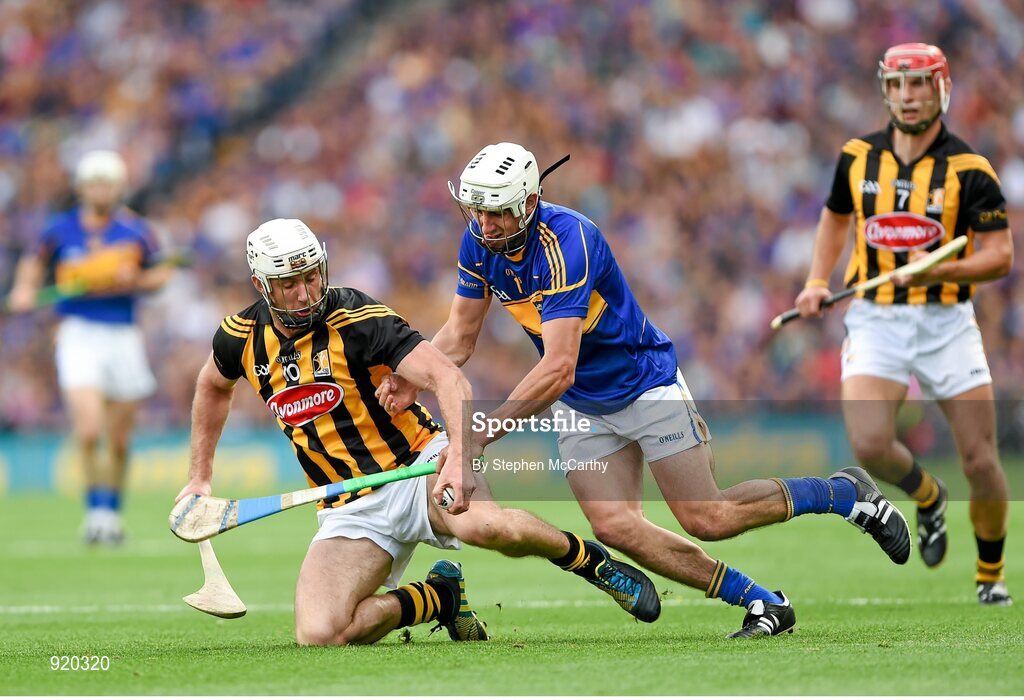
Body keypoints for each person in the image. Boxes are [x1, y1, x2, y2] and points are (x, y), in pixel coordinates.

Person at [376, 141, 913, 638]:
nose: (487, 225)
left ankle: (843, 494)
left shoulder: (569, 242)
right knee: (614, 526)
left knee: (708, 517)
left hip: (643, 383)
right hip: (584, 405)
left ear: (532, 201)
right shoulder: (478, 242)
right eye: (479, 211)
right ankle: (762, 602)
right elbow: (461, 336)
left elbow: (559, 366)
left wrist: (481, 433)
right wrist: (410, 375)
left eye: (499, 212)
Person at [174, 217, 661, 647]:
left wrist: (458, 457)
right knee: (322, 633)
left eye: (312, 275)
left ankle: (588, 562)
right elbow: (213, 387)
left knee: (490, 529)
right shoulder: (239, 337)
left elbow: (449, 378)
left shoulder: (360, 320)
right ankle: (440, 598)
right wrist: (200, 477)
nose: (305, 291)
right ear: (262, 285)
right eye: (289, 284)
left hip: (419, 466)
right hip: (348, 505)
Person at [794, 43, 1014, 606]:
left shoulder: (970, 169)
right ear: (885, 89)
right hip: (876, 319)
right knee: (869, 442)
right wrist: (819, 281)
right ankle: (928, 493)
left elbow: (1000, 256)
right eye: (897, 85)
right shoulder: (858, 157)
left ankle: (990, 574)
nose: (908, 96)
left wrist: (939, 270)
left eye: (918, 84)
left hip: (946, 322)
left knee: (982, 460)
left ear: (941, 88)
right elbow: (835, 219)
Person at [8, 150, 171, 545]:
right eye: (94, 182)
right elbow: (34, 263)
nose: (101, 189)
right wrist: (24, 290)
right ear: (82, 187)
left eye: (108, 182)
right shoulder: (60, 230)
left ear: (118, 187)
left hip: (122, 335)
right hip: (77, 331)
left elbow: (160, 274)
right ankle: (95, 512)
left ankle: (112, 513)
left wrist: (134, 278)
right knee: (87, 429)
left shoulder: (136, 231)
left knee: (117, 440)